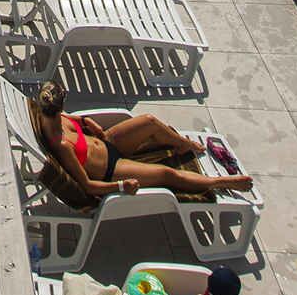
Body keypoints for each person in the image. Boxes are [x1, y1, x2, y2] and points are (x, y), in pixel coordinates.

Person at [27, 81, 252, 204]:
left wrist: (87, 121)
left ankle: (183, 144)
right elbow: (87, 185)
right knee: (166, 175)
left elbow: (76, 119)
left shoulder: (55, 117)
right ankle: (221, 182)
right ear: (58, 104)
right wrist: (121, 186)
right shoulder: (62, 145)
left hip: (108, 143)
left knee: (149, 122)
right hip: (112, 170)